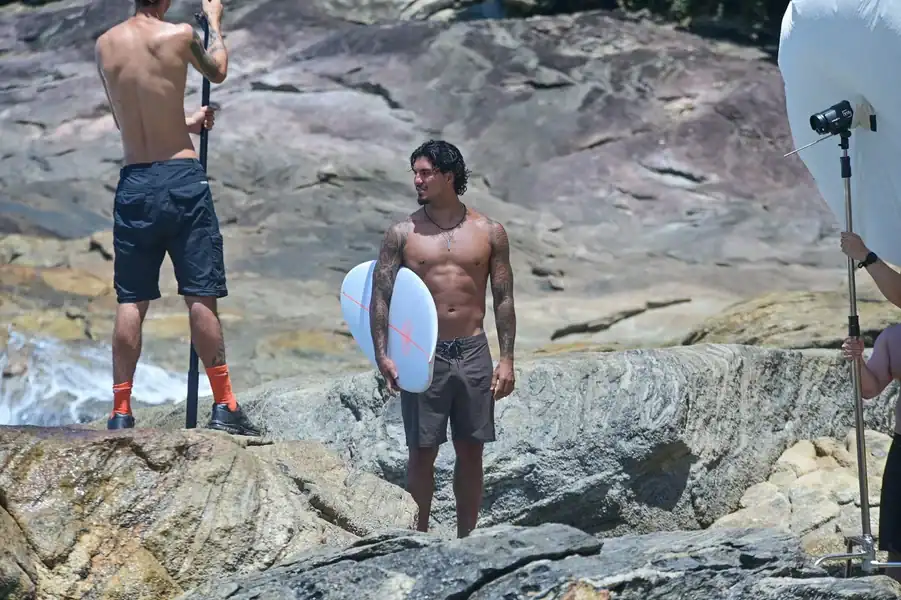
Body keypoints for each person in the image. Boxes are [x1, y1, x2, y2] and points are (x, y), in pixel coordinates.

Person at [95, 0, 259, 435]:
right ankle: (224, 405)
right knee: (201, 294)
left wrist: (184, 121)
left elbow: (126, 120)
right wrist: (215, 22)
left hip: (135, 183)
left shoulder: (105, 44)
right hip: (181, 180)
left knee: (131, 298)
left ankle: (121, 411)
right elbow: (217, 71)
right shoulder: (181, 35)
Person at [370, 139, 517, 538]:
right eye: (415, 173)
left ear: (448, 176)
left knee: (471, 452)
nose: (417, 180)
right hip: (423, 354)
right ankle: (418, 539)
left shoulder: (490, 232)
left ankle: (467, 540)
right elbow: (380, 296)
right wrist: (383, 354)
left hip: (473, 351)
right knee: (421, 453)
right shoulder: (402, 233)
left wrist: (506, 359)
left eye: (426, 173)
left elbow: (503, 298)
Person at [840, 230, 901, 582]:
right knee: (898, 545)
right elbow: (869, 389)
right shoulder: (894, 338)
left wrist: (866, 256)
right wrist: (858, 360)